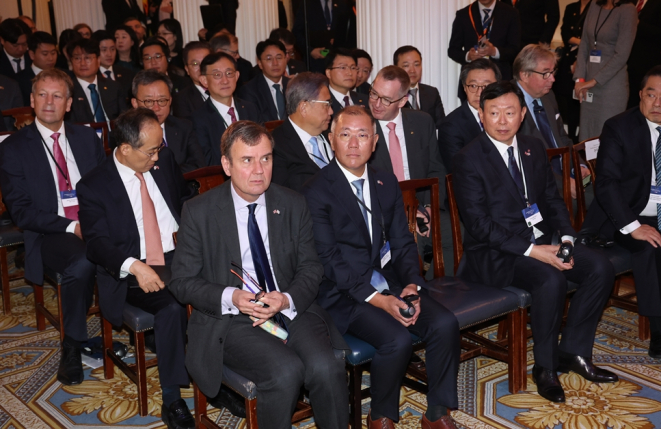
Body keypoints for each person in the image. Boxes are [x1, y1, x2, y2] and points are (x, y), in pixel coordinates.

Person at [169, 120, 349, 429]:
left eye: (266, 158)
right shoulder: (199, 212)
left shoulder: (292, 203)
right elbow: (182, 282)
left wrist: (287, 298)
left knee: (326, 366)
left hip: (289, 306)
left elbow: (311, 266)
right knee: (285, 371)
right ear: (226, 165)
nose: (259, 170)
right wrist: (233, 297)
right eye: (247, 160)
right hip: (233, 319)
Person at [452, 81, 617, 403]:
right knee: (550, 278)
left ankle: (573, 351)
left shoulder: (532, 146)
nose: (502, 121)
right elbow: (478, 225)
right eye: (494, 113)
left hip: (541, 243)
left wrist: (567, 237)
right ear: (481, 116)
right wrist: (533, 251)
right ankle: (545, 367)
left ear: (522, 113)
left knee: (599, 267)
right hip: (494, 254)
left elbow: (551, 199)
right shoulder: (468, 158)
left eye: (510, 112)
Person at [302, 106, 460, 429]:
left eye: (362, 135)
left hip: (385, 281)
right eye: (345, 135)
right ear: (332, 139)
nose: (354, 144)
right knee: (396, 341)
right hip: (340, 294)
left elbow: (402, 243)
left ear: (375, 142)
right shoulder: (316, 191)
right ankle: (381, 416)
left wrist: (412, 285)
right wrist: (380, 300)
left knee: (444, 323)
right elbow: (329, 261)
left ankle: (436, 413)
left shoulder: (385, 181)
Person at [76, 108, 196, 429]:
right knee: (171, 308)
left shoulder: (164, 160)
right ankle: (173, 398)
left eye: (160, 147)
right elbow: (97, 244)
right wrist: (136, 266)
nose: (158, 157)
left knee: (224, 290)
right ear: (125, 149)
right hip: (132, 269)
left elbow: (185, 199)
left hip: (180, 255)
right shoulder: (93, 185)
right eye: (151, 150)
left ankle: (218, 378)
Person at [580, 66, 661, 357]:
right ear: (640, 95)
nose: (657, 103)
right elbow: (606, 185)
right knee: (648, 247)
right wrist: (633, 226)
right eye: (650, 94)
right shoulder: (619, 127)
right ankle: (658, 329)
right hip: (628, 213)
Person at [0, 69, 105, 386]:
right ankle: (72, 345)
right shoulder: (13, 148)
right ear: (31, 101)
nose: (49, 101)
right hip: (50, 233)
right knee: (84, 261)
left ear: (69, 103)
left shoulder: (87, 138)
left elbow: (106, 188)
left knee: (135, 245)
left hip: (93, 225)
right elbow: (21, 212)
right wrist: (72, 227)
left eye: (57, 95)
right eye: (42, 94)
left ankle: (146, 327)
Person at [367, 66, 453, 277]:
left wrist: (429, 207)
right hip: (383, 213)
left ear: (403, 101)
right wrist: (409, 214)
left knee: (456, 235)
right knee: (410, 244)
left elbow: (436, 169)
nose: (377, 104)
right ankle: (413, 293)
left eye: (386, 99)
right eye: (373, 94)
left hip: (422, 203)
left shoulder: (422, 122)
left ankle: (438, 292)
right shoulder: (361, 125)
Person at [513, 44, 591, 202]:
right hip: (539, 185)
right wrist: (562, 183)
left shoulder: (548, 96)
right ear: (524, 75)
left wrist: (579, 165)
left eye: (552, 72)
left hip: (566, 172)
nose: (553, 79)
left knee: (609, 193)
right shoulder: (509, 104)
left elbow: (562, 138)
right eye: (545, 74)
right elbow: (523, 162)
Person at [574, 0, 637, 141]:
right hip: (587, 86)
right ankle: (587, 164)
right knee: (586, 135)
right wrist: (580, 79)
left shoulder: (628, 10)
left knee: (606, 137)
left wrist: (593, 81)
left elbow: (622, 55)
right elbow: (584, 43)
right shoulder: (595, 5)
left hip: (611, 87)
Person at [192, 52, 261, 165]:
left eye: (229, 73)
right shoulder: (198, 119)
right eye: (217, 75)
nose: (225, 80)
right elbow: (208, 162)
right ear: (204, 80)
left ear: (237, 76)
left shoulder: (250, 109)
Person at [131, 70, 206, 172]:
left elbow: (198, 165)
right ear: (135, 103)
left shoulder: (184, 127)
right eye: (149, 101)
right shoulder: (125, 133)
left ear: (170, 100)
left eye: (162, 100)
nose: (156, 108)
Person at [271, 72, 334, 192]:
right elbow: (282, 196)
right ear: (304, 108)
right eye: (326, 104)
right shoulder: (276, 145)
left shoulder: (332, 135)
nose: (331, 111)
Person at [437, 58, 500, 172]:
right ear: (465, 88)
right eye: (473, 86)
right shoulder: (450, 126)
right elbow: (459, 170)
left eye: (486, 86)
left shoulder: (506, 117)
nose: (479, 93)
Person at [447, 0, 520, 87]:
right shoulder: (464, 14)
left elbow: (515, 49)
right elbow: (453, 50)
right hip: (472, 82)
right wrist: (468, 56)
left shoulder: (511, 13)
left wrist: (494, 52)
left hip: (501, 82)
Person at [626, 0, 661, 108]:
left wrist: (638, 23)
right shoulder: (630, 2)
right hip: (628, 62)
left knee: (642, 104)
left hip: (647, 64)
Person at [65, 38, 127, 124]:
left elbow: (125, 120)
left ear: (98, 60)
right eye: (77, 58)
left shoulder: (114, 87)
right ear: (71, 61)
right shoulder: (68, 91)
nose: (83, 63)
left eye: (88, 58)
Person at [553, 0, 591, 143]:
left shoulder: (596, 7)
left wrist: (581, 46)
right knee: (566, 97)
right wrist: (580, 41)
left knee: (581, 100)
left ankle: (581, 137)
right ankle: (569, 136)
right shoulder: (571, 7)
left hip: (587, 58)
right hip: (568, 58)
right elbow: (565, 32)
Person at [292, 0, 354, 73]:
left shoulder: (342, 4)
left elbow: (349, 31)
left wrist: (339, 40)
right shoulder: (306, 4)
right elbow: (297, 32)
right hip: (315, 62)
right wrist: (310, 50)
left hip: (337, 60)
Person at [237, 39, 291, 123]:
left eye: (279, 57)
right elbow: (254, 125)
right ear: (260, 63)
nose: (275, 63)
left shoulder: (294, 86)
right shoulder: (249, 91)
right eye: (269, 59)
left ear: (285, 59)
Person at [393, 45, 446, 126]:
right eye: (406, 66)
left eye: (417, 64)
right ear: (396, 68)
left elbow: (441, 125)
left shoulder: (432, 93)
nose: (412, 70)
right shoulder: (391, 95)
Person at [172, 41, 212, 121]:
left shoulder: (226, 88)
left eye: (205, 62)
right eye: (195, 64)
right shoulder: (181, 99)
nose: (201, 68)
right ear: (187, 69)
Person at [16, 31, 58, 106]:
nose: (51, 58)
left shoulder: (66, 76)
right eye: (45, 54)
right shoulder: (18, 81)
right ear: (32, 54)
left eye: (53, 53)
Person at [93, 30, 136, 100]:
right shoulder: (92, 76)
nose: (109, 54)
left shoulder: (127, 74)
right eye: (104, 50)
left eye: (112, 49)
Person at [325, 48, 366, 116]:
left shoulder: (365, 100)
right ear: (328, 73)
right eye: (343, 68)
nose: (349, 73)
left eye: (353, 68)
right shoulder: (322, 102)